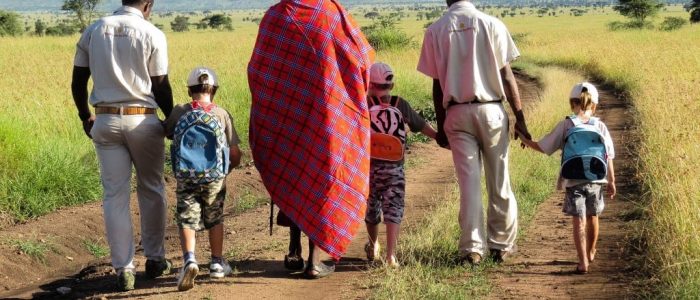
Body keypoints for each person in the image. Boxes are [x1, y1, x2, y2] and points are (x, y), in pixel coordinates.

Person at [248, 0, 374, 279]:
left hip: (285, 114)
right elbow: (362, 58)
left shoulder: (275, 16)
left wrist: (274, 103)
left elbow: (257, 70)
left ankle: (295, 248)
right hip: (327, 113)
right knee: (321, 176)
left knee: (293, 171)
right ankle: (315, 259)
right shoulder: (331, 14)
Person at [417, 0, 532, 266]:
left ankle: (472, 249)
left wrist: (443, 124)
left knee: (469, 185)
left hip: (457, 114)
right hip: (492, 110)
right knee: (499, 179)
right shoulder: (492, 24)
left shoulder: (435, 30)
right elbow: (507, 76)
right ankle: (501, 245)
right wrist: (520, 118)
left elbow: (437, 85)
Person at [70, 0, 173, 291]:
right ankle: (155, 260)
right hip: (143, 120)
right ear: (148, 4)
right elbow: (160, 84)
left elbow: (78, 82)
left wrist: (84, 116)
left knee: (114, 195)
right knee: (152, 187)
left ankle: (124, 269)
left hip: (105, 120)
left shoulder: (95, 29)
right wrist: (170, 118)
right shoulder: (152, 33)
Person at [518, 82, 616, 274]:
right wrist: (611, 181)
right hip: (596, 180)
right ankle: (591, 251)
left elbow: (544, 146)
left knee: (578, 220)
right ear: (594, 105)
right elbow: (609, 156)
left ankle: (582, 262)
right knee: (593, 217)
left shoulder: (566, 124)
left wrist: (525, 140)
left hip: (573, 181)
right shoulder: (600, 126)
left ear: (572, 104)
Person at [163, 67, 242, 291]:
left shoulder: (179, 111)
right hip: (214, 176)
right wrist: (226, 169)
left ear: (190, 90)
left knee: (187, 218)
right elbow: (235, 152)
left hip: (186, 175)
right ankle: (217, 262)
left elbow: (166, 131)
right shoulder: (221, 113)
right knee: (215, 217)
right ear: (213, 90)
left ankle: (189, 259)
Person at [363, 62, 437, 267]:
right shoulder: (400, 104)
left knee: (372, 208)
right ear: (391, 86)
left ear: (368, 84)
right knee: (393, 208)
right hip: (395, 167)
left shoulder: (363, 104)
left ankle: (373, 243)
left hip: (368, 167)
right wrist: (441, 139)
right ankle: (391, 255)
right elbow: (421, 126)